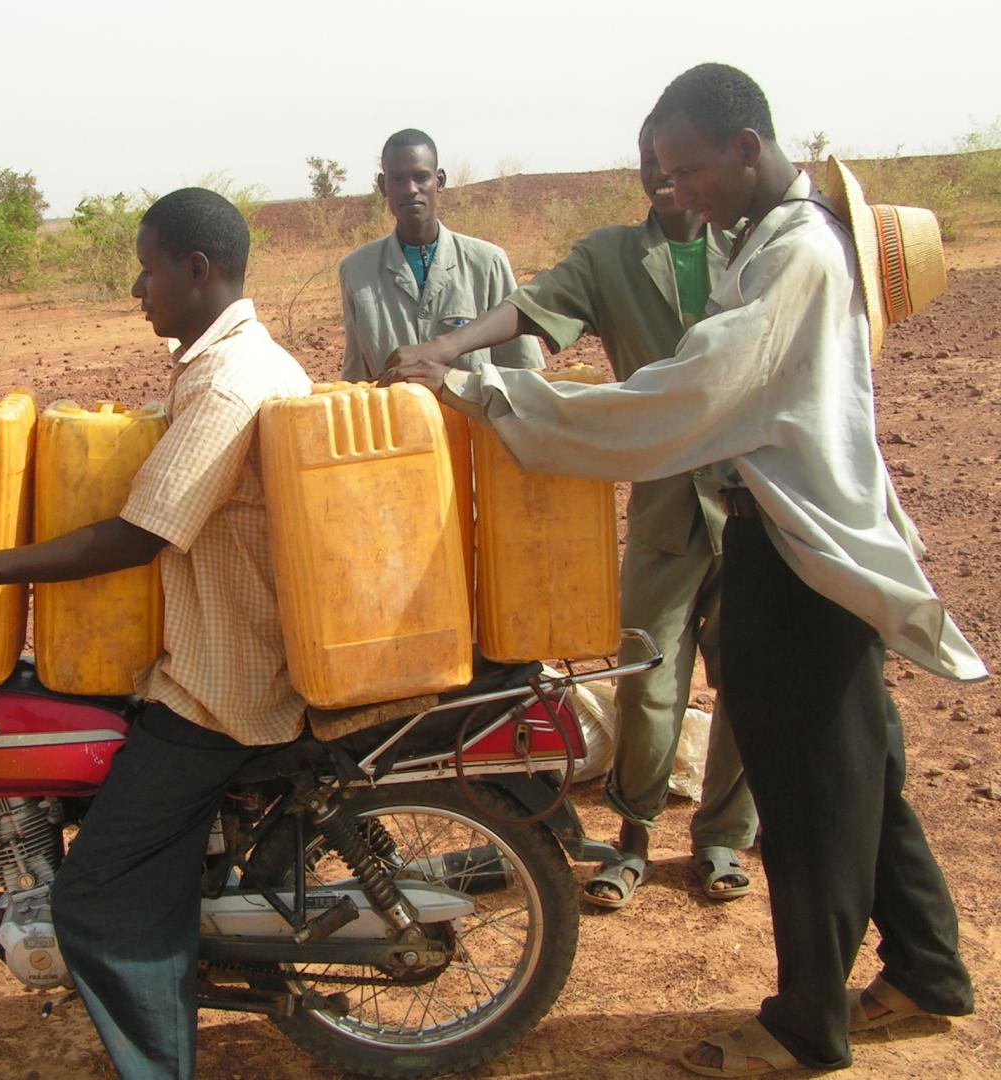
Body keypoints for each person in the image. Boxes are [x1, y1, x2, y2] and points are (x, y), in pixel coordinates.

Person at [382, 63, 981, 1076]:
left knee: (807, 801)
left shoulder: (793, 257)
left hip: (794, 560)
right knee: (862, 773)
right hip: (812, 547)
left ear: (748, 149)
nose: (677, 192)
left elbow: (688, 396)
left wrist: (496, 397)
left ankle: (803, 1028)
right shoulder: (767, 243)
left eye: (688, 169)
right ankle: (927, 973)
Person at [0, 187, 312, 1080]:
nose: (137, 289)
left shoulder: (230, 380)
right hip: (210, 644)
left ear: (196, 269)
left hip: (224, 683)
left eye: (146, 269)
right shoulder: (221, 360)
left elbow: (139, 533)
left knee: (98, 899)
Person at [503, 116, 756, 909]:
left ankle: (721, 839)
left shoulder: (751, 247)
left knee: (748, 677)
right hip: (665, 503)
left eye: (673, 160)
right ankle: (635, 838)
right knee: (649, 677)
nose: (662, 175)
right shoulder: (611, 256)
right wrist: (448, 353)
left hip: (754, 498)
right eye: (649, 162)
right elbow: (530, 308)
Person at [339, 127, 543, 382]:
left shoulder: (487, 263)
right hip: (394, 421)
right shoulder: (357, 271)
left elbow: (524, 373)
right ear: (383, 186)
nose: (410, 189)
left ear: (440, 181)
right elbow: (356, 380)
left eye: (421, 177)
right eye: (398, 179)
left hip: (473, 420)